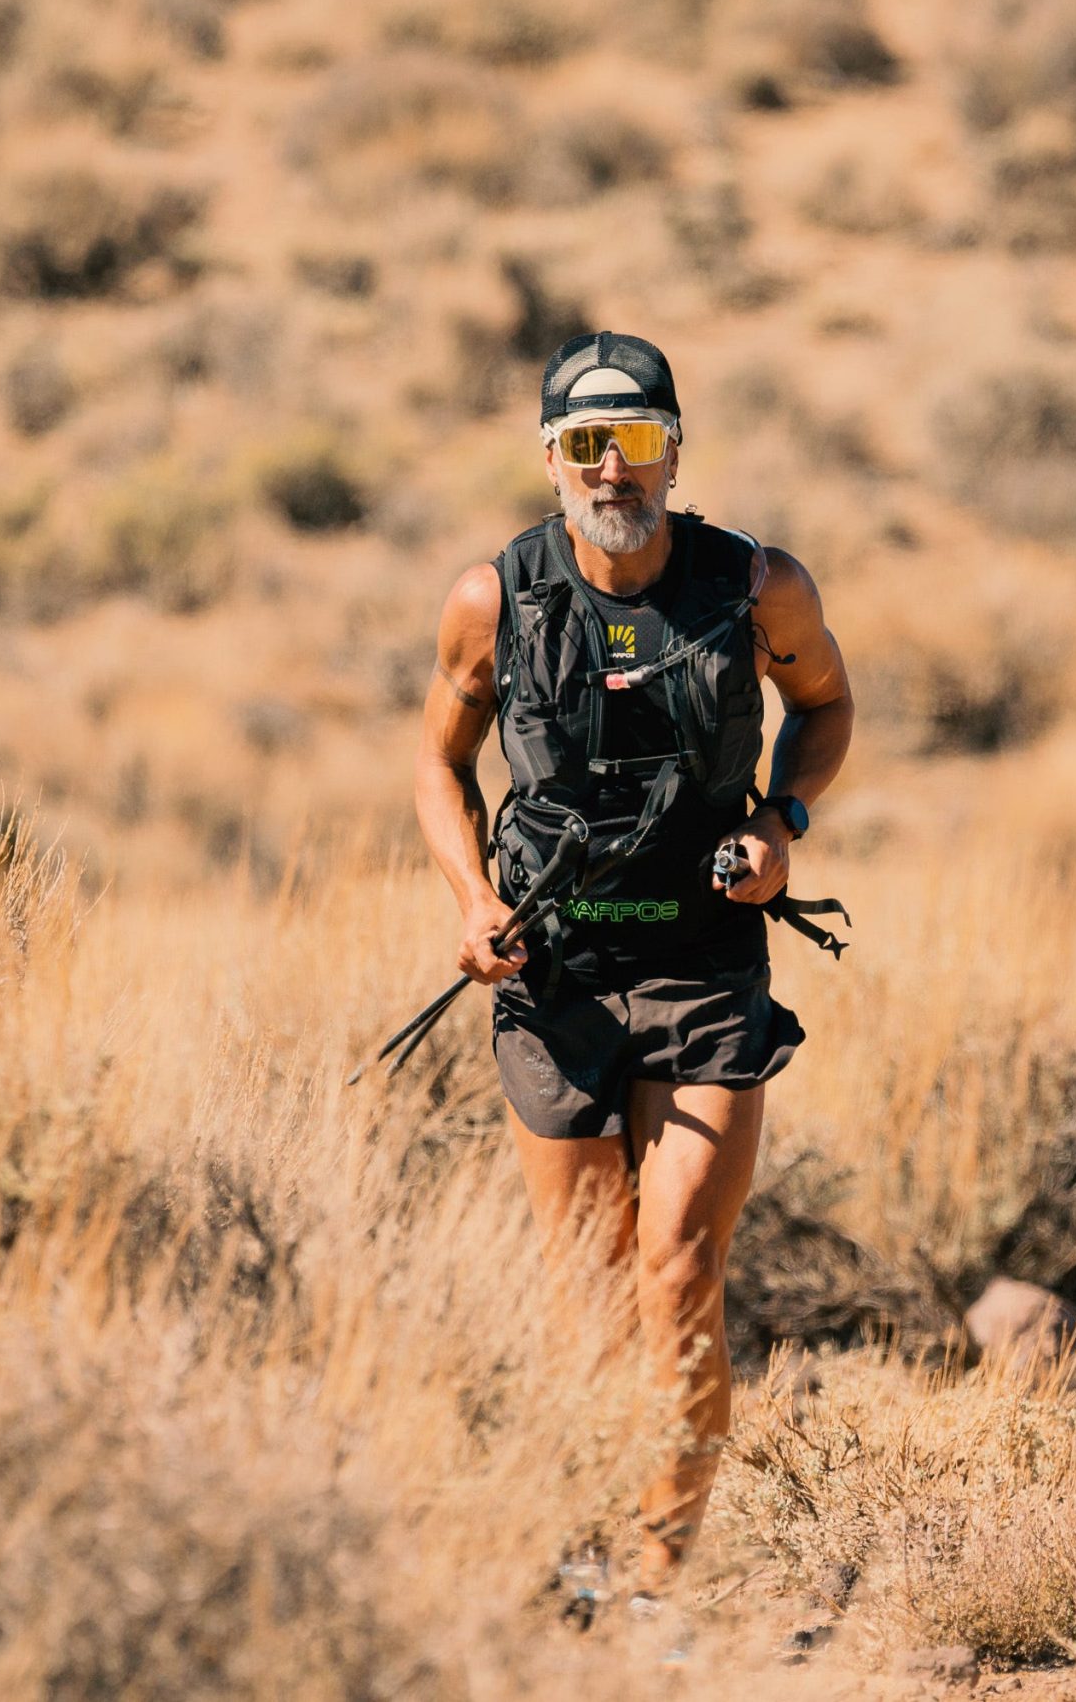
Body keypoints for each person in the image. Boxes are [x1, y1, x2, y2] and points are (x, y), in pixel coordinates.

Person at [413, 331, 854, 1617]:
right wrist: (473, 900)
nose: (614, 468)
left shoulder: (753, 586)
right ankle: (580, 1536)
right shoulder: (492, 599)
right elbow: (439, 764)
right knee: (589, 1293)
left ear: (676, 450)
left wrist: (780, 826)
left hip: (704, 962)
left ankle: (660, 1576)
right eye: (586, 443)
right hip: (556, 971)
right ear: (548, 460)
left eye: (640, 439)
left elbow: (824, 708)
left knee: (677, 1270)